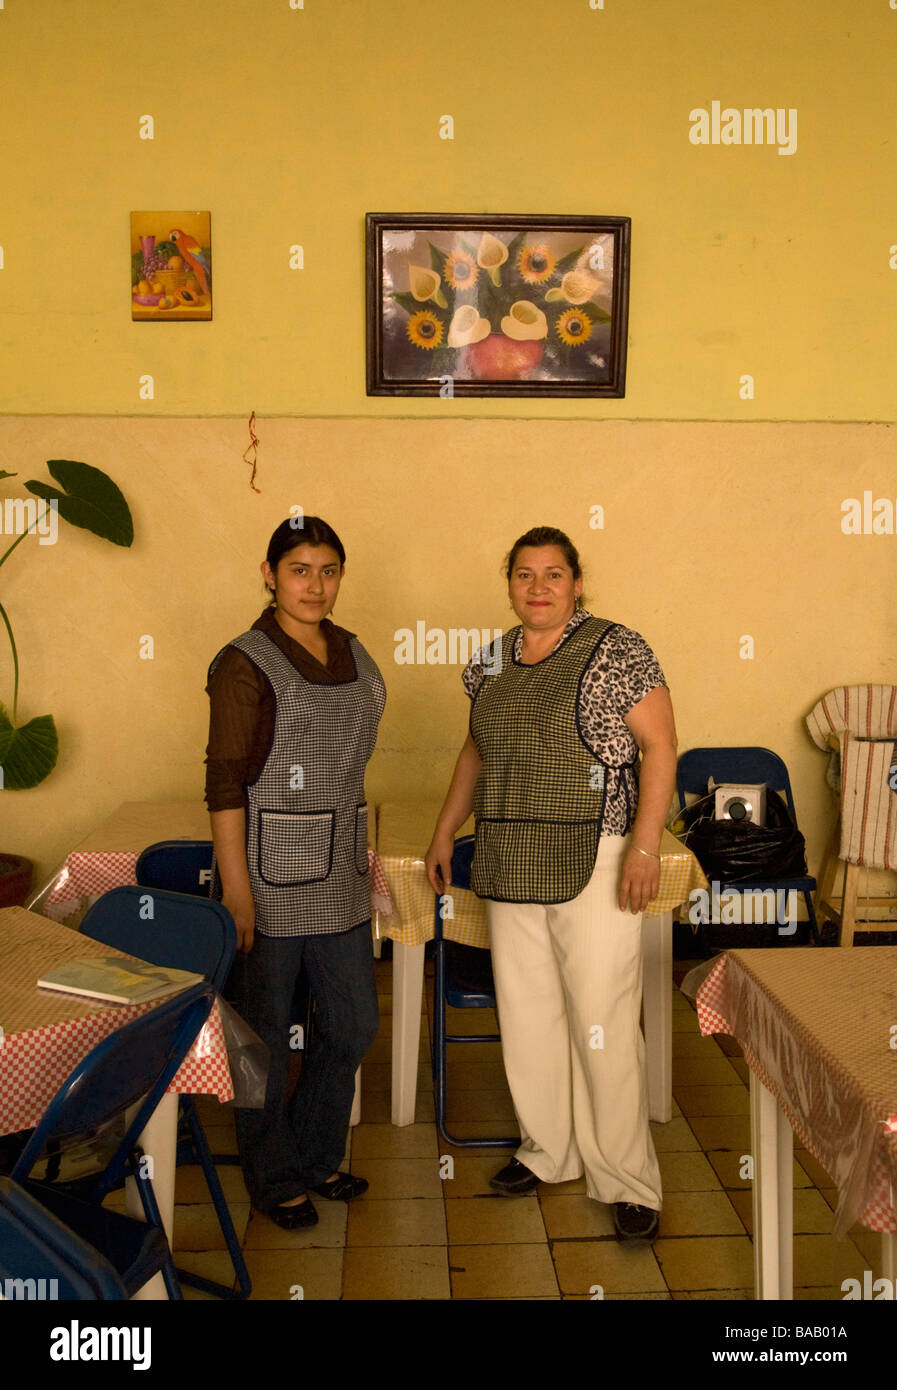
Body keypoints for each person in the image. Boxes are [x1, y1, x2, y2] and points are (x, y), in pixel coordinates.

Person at [425, 526, 677, 1243]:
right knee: (530, 1017)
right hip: (508, 856)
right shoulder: (490, 662)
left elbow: (660, 745)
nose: (538, 587)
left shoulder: (616, 650)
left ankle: (625, 1180)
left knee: (601, 1020)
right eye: (524, 574)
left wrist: (645, 847)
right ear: (508, 582)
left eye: (553, 574)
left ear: (575, 583)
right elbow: (475, 749)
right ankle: (547, 1152)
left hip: (594, 856)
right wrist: (446, 829)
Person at [204, 516, 384, 1230]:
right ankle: (273, 1174)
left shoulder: (352, 650)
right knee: (266, 1038)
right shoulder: (245, 662)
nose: (315, 584)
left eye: (328, 569)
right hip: (266, 875)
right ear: (270, 573)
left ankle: (313, 1155)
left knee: (350, 1025)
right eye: (300, 569)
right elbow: (224, 786)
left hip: (339, 866)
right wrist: (237, 890)